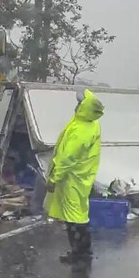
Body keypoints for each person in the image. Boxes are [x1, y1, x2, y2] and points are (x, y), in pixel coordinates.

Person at [44, 89, 104, 264]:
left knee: (74, 217)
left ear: (85, 107)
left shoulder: (82, 129)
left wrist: (55, 178)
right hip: (80, 177)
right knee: (78, 215)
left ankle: (80, 254)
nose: (76, 105)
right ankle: (82, 252)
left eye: (80, 103)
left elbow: (67, 157)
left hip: (72, 178)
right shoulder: (88, 123)